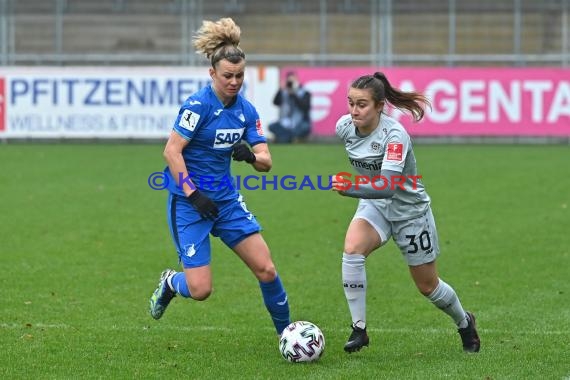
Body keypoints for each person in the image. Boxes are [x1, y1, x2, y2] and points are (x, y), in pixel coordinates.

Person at [148, 17, 291, 337]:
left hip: (225, 202)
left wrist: (251, 157)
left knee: (266, 269)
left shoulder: (247, 111)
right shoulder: (198, 105)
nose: (234, 82)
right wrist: (192, 194)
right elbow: (172, 151)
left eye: (240, 76)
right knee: (200, 290)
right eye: (228, 75)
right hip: (190, 204)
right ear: (212, 73)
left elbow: (266, 162)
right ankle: (171, 282)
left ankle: (286, 335)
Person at [331, 72, 480, 353]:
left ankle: (464, 322)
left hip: (409, 212)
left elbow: (387, 186)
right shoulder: (344, 127)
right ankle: (359, 329)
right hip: (374, 204)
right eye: (350, 103)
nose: (353, 111)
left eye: (361, 104)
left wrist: (350, 187)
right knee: (352, 250)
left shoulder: (395, 135)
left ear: (379, 106)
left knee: (428, 287)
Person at [268, 71, 312, 143]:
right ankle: (291, 138)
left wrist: (294, 94)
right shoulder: (284, 92)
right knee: (271, 126)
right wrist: (280, 89)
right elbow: (276, 102)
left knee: (305, 127)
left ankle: (283, 138)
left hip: (299, 123)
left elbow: (305, 107)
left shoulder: (304, 92)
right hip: (285, 123)